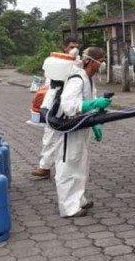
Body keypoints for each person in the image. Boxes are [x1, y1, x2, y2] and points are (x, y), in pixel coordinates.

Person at [54, 47, 111, 218]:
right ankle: (68, 208)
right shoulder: (77, 79)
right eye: (100, 60)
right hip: (69, 129)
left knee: (80, 166)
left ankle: (78, 200)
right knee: (68, 167)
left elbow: (90, 101)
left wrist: (95, 123)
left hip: (81, 128)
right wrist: (92, 105)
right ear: (90, 61)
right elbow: (68, 105)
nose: (102, 64)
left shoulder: (88, 79)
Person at [31, 36, 80, 179]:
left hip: (71, 103)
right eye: (71, 47)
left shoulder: (79, 63)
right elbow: (49, 84)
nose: (75, 50)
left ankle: (70, 166)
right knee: (49, 136)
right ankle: (44, 167)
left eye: (77, 46)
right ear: (64, 47)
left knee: (72, 138)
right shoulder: (56, 63)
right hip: (55, 104)